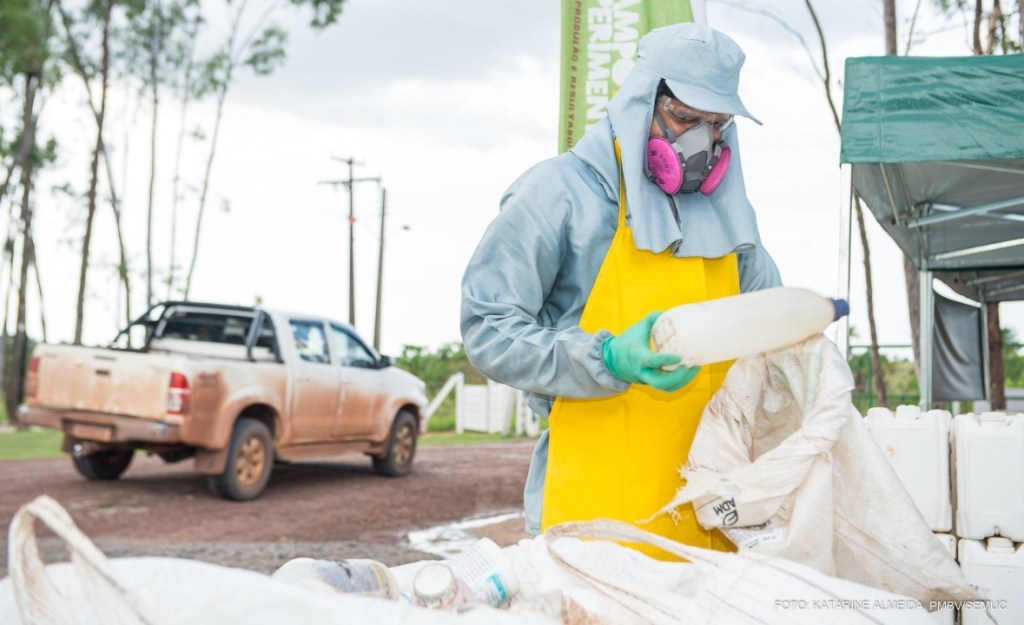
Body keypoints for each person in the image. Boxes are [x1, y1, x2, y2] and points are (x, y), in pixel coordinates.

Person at [460, 23, 782, 551]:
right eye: (684, 118)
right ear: (639, 102)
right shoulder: (558, 193)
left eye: (718, 124)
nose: (703, 141)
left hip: (710, 516)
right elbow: (487, 328)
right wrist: (606, 358)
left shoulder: (731, 220)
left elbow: (769, 330)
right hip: (594, 511)